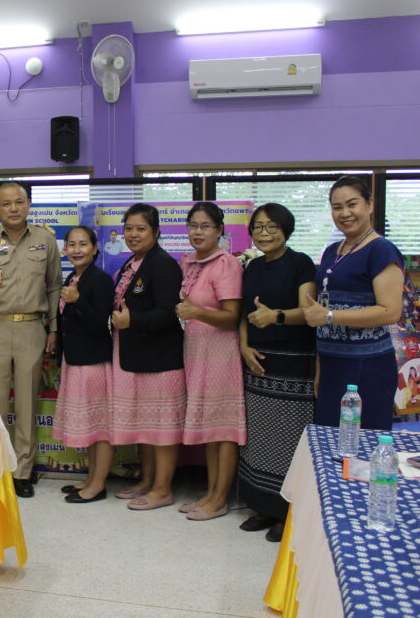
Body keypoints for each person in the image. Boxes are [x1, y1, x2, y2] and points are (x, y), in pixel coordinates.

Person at [0, 181, 61, 498]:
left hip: (32, 327)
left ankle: (22, 471)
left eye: (19, 201)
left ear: (29, 203)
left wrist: (54, 328)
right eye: (6, 203)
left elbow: (54, 286)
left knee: (26, 402)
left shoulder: (45, 240)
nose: (13, 208)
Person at [237, 203, 316, 542]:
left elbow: (309, 312)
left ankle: (289, 511)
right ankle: (263, 506)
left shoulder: (301, 263)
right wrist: (243, 346)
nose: (264, 233)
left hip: (294, 363)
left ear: (286, 230)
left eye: (272, 227)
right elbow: (242, 313)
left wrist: (276, 316)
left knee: (289, 440)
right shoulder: (252, 266)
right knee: (260, 437)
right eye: (258, 227)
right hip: (257, 362)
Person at [303, 175, 403, 430]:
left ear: (369, 204)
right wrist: (320, 367)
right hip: (332, 364)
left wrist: (330, 317)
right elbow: (322, 311)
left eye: (352, 204)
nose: (345, 213)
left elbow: (390, 311)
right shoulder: (331, 251)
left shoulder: (381, 249)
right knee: (329, 440)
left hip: (367, 367)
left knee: (363, 442)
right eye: (337, 207)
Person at [107, 204, 186, 511]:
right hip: (137, 357)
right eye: (129, 228)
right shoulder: (133, 262)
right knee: (146, 426)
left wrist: (132, 321)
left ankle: (163, 489)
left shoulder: (163, 264)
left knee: (162, 429)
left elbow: (168, 313)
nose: (133, 234)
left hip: (160, 360)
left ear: (156, 232)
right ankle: (147, 481)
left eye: (141, 229)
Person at [176, 201, 244, 521]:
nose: (198, 232)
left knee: (223, 428)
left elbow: (232, 317)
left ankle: (220, 499)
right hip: (196, 351)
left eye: (206, 226)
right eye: (193, 225)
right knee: (209, 425)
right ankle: (210, 493)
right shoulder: (188, 262)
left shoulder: (226, 264)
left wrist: (197, 312)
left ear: (220, 231)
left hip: (221, 353)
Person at [51, 226, 113, 504]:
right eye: (72, 245)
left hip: (93, 363)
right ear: (65, 249)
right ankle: (90, 478)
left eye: (83, 244)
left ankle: (98, 485)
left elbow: (100, 323)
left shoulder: (100, 280)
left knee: (100, 427)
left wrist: (77, 301)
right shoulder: (73, 277)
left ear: (94, 248)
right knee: (90, 425)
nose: (77, 250)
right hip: (75, 360)